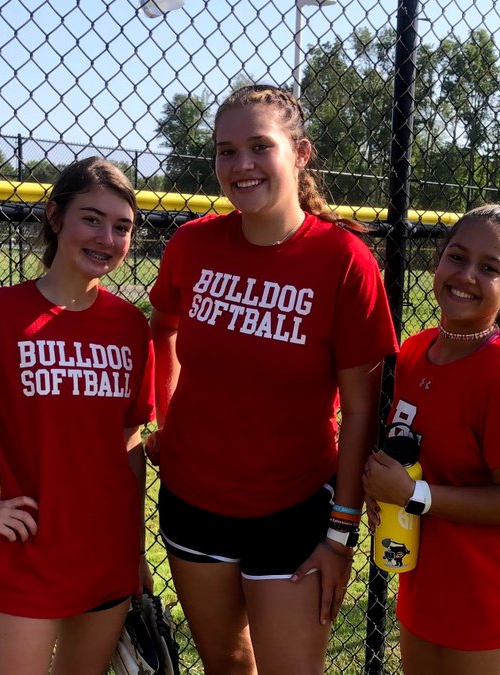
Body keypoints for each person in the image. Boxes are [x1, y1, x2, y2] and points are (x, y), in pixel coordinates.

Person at [147, 83, 398, 674]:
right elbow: (164, 327)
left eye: (260, 146)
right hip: (194, 501)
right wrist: (165, 418)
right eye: (226, 151)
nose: (241, 164)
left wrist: (340, 534)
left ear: (301, 153)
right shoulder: (193, 243)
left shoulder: (343, 260)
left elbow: (361, 411)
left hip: (295, 510)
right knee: (227, 666)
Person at [0, 157, 155, 675]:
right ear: (55, 217)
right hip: (30, 550)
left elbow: (128, 438)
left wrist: (136, 553)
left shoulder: (130, 325)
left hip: (107, 552)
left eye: (122, 227)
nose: (107, 238)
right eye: (91, 219)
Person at [363, 204, 500, 675]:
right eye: (457, 257)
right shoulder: (413, 352)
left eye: (489, 268)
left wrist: (412, 495)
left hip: (491, 602)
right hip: (425, 590)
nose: (466, 275)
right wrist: (378, 486)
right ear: (439, 260)